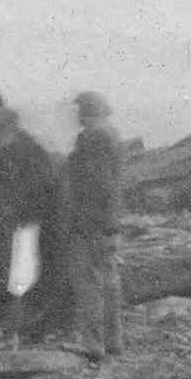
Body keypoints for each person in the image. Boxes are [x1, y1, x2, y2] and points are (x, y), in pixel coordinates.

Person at [0, 100, 64, 345]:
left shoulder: (31, 153)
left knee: (28, 279)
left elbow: (40, 192)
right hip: (22, 223)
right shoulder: (7, 150)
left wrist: (17, 214)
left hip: (38, 224)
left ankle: (29, 333)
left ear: (9, 130)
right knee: (16, 278)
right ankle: (20, 331)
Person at [60, 90, 127, 355]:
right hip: (108, 222)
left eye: (79, 110)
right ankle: (113, 341)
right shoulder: (112, 135)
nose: (76, 115)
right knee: (109, 281)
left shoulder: (92, 138)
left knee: (87, 282)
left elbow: (96, 184)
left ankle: (92, 343)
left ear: (87, 111)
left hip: (90, 222)